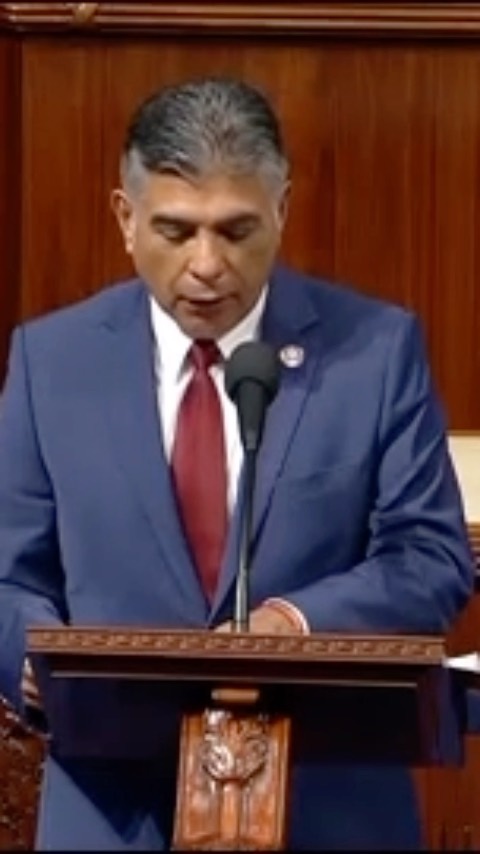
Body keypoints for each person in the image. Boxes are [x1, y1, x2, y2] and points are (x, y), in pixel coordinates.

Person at [0, 76, 474, 850]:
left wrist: (295, 622)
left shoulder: (375, 352)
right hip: (114, 813)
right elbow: (8, 572)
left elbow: (431, 558)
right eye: (177, 231)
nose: (207, 264)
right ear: (126, 219)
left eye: (236, 230)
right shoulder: (51, 362)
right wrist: (30, 653)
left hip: (329, 809)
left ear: (281, 210)